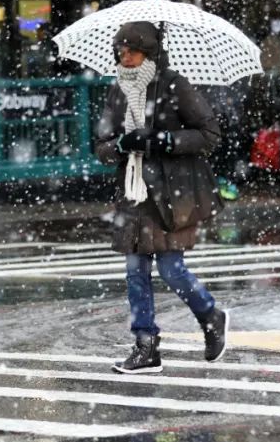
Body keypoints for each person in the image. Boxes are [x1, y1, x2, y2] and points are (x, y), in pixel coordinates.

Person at [94, 21, 228, 374]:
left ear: (150, 53)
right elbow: (101, 147)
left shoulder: (174, 85)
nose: (125, 58)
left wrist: (161, 141)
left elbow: (209, 134)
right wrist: (122, 145)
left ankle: (211, 315)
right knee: (135, 271)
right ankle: (145, 346)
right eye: (120, 52)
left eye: (133, 52)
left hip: (172, 192)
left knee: (171, 269)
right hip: (134, 190)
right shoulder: (118, 90)